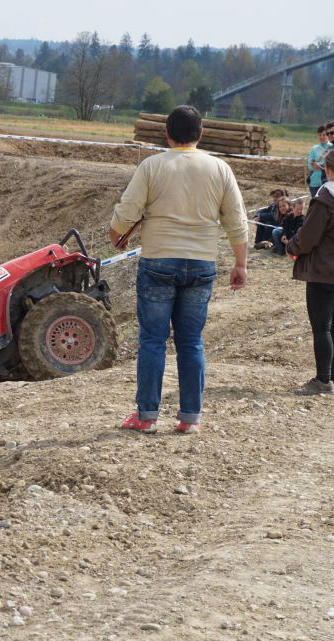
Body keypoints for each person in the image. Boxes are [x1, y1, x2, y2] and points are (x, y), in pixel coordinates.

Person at [109, 105, 248, 435]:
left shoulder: (152, 166)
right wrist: (241, 263)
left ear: (166, 134)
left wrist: (117, 235)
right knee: (191, 342)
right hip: (201, 263)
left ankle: (146, 416)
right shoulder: (220, 168)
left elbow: (128, 211)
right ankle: (189, 418)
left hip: (158, 261)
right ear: (201, 133)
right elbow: (236, 220)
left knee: (153, 341)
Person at [285, 146, 334, 395]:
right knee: (333, 326)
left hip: (324, 270)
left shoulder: (326, 198)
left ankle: (322, 381)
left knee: (322, 327)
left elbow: (308, 236)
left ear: (326, 169)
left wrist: (291, 247)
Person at [308, 125, 332, 198]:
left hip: (328, 182)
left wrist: (318, 165)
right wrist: (322, 166)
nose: (321, 137)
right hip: (314, 182)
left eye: (324, 135)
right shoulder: (314, 149)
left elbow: (332, 165)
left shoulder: (333, 147)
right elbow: (310, 166)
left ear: (328, 135)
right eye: (320, 135)